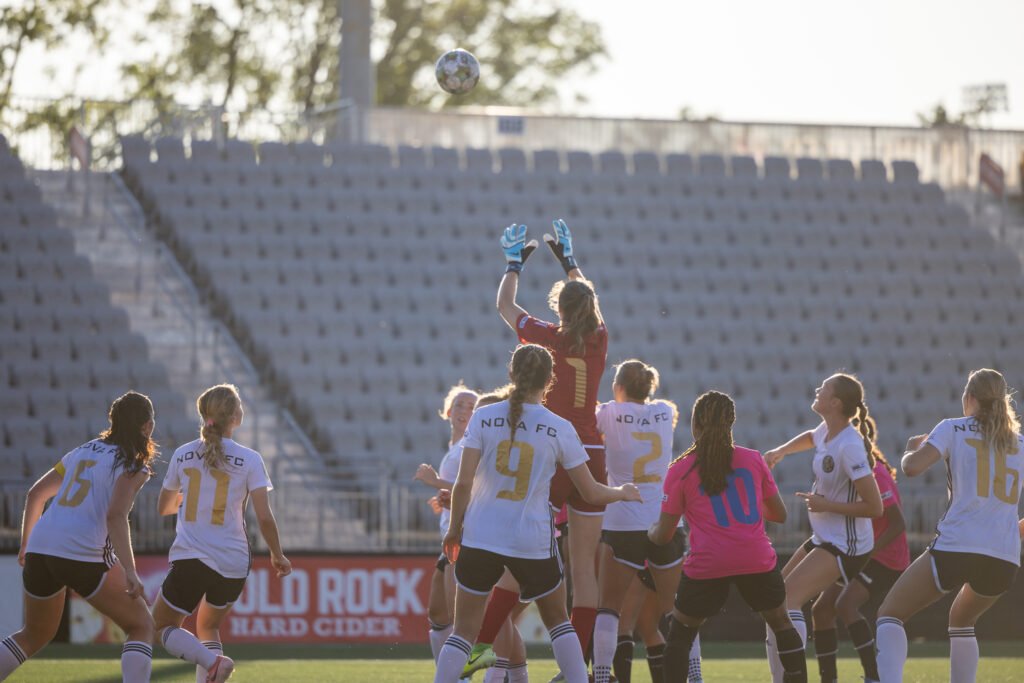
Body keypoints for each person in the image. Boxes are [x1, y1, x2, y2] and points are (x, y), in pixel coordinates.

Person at [433, 344, 641, 683]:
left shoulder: (484, 416)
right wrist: (623, 492)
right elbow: (590, 492)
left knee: (464, 632)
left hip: (481, 535)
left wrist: (454, 529)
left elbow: (463, 484)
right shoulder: (559, 426)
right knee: (559, 621)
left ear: (512, 374)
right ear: (550, 381)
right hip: (532, 539)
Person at [471, 219, 608, 677]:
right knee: (584, 571)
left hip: (551, 450)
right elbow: (590, 303)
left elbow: (503, 306)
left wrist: (514, 263)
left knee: (521, 554)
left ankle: (482, 643)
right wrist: (569, 261)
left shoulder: (547, 337)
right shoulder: (598, 339)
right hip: (592, 454)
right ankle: (577, 667)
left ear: (559, 308)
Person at [649, 390, 808, 682]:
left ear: (695, 425)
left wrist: (649, 532)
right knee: (782, 623)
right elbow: (780, 515)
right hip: (755, 558)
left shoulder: (681, 470)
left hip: (708, 564)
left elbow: (662, 536)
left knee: (681, 632)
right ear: (730, 424)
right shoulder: (752, 459)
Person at [876, 369, 1023, 683]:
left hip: (957, 545)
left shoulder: (952, 428)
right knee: (961, 620)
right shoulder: (1020, 441)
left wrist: (909, 450)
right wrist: (1013, 529)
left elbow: (913, 468)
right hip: (1004, 556)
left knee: (889, 614)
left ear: (969, 398)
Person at [1, 391, 157, 682]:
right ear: (147, 426)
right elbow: (115, 516)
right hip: (82, 550)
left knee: (34, 634)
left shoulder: (83, 450)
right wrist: (131, 571)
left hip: (41, 545)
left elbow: (36, 494)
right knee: (141, 625)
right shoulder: (134, 464)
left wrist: (26, 543)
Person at [151, 384, 291, 683]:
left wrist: (190, 500)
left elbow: (163, 507)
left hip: (194, 556)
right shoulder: (250, 458)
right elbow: (264, 517)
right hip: (234, 561)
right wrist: (278, 555)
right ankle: (212, 666)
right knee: (208, 627)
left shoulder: (183, 454)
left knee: (159, 626)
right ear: (235, 417)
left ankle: (213, 663)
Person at [763, 373, 884, 683]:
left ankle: (795, 677)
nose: (817, 390)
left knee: (787, 600)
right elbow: (810, 436)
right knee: (774, 598)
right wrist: (781, 451)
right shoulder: (828, 431)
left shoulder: (850, 446)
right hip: (825, 537)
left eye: (823, 389)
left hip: (846, 544)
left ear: (835, 403)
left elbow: (875, 507)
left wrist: (826, 505)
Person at [592, 360, 701, 683]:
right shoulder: (666, 412)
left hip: (623, 519)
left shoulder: (608, 411)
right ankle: (695, 677)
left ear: (618, 386)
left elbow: (588, 426)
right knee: (677, 610)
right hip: (663, 519)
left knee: (609, 607)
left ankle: (600, 675)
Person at [810, 439, 909, 683]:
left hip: (885, 558)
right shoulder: (850, 473)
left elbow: (898, 524)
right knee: (821, 610)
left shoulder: (875, 473)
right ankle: (828, 679)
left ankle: (873, 677)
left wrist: (869, 551)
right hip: (859, 552)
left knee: (845, 605)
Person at [413, 383, 480, 663]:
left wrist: (435, 481)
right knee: (438, 615)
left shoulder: (471, 444)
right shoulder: (454, 447)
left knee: (458, 618)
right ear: (449, 411)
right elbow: (459, 491)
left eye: (472, 406)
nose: (465, 410)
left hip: (465, 536)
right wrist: (444, 498)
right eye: (460, 405)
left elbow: (475, 488)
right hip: (449, 536)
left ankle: (495, 670)